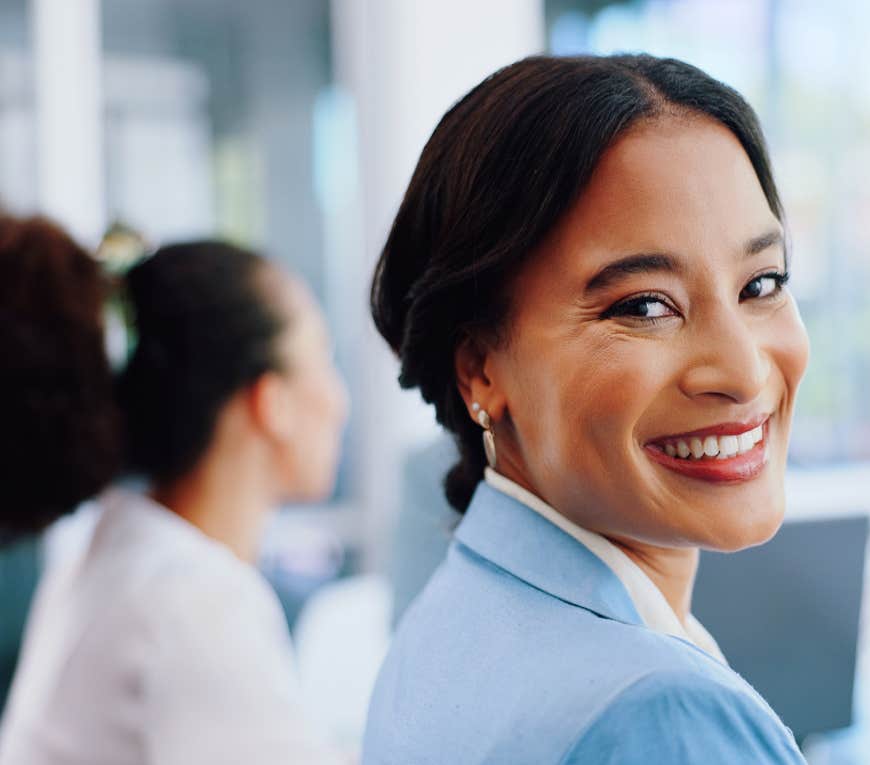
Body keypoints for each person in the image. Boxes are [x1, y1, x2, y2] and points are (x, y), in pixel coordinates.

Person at [362, 54, 810, 763]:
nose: (743, 369)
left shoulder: (451, 618)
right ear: (480, 366)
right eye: (643, 305)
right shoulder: (662, 712)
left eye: (761, 284)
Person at [0, 217, 349, 765]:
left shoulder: (122, 552)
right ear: (270, 400)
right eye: (324, 358)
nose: (338, 398)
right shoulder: (191, 606)